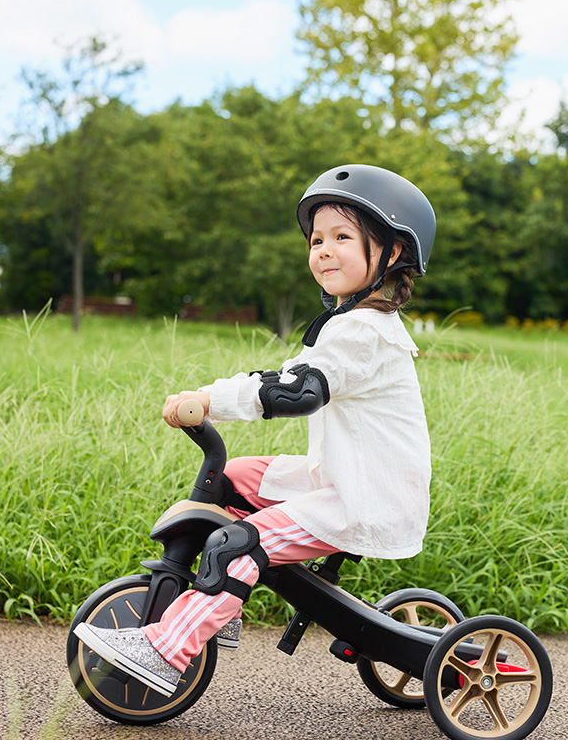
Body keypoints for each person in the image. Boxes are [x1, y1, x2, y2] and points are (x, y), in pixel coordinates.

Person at [74, 163, 436, 697]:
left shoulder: (365, 332)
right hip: (340, 477)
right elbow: (282, 377)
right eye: (317, 239)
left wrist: (208, 401)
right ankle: (220, 603)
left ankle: (166, 649)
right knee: (236, 476)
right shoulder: (348, 325)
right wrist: (211, 400)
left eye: (342, 237)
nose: (324, 250)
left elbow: (297, 392)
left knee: (238, 542)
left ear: (393, 253)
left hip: (365, 498)